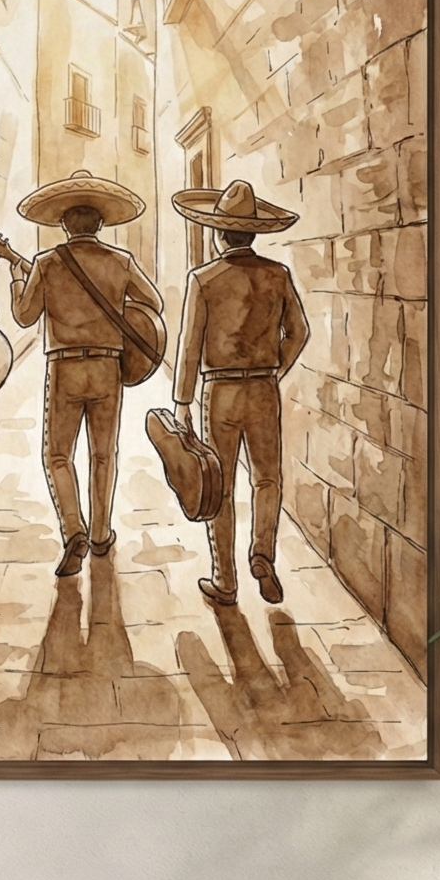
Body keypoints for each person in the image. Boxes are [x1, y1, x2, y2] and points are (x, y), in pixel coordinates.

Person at [5, 169, 167, 577]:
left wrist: (16, 278)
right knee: (103, 454)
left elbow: (24, 316)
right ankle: (99, 533)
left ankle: (72, 530)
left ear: (63, 223)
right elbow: (155, 303)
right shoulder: (121, 261)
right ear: (100, 224)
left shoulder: (46, 262)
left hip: (64, 366)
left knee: (58, 454)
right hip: (108, 365)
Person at [171, 177, 311, 607]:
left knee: (221, 485)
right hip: (263, 387)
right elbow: (299, 332)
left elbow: (190, 344)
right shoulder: (276, 274)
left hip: (220, 391)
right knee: (267, 477)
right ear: (252, 234)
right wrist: (276, 369)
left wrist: (182, 401)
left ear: (217, 235)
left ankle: (225, 579)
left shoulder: (204, 278)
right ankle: (263, 554)